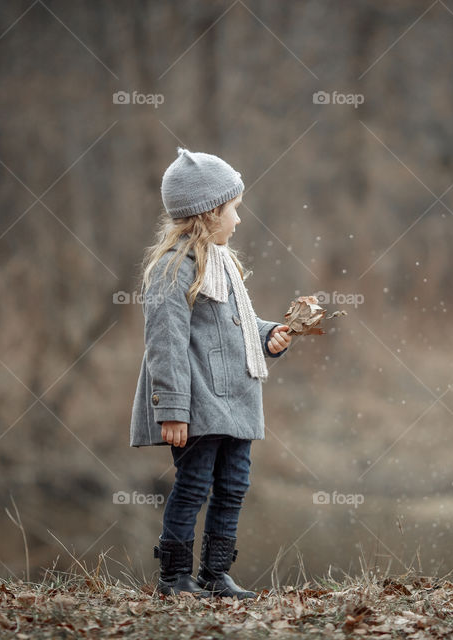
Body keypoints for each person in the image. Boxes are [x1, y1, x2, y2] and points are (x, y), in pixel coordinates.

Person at [130, 148, 293, 599]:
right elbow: (165, 345)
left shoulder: (223, 264)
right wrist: (173, 410)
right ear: (208, 212)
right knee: (194, 485)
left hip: (236, 400)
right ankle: (175, 578)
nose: (238, 220)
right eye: (233, 210)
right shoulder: (171, 268)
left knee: (235, 485)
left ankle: (215, 574)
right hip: (199, 404)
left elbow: (234, 327)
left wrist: (269, 335)